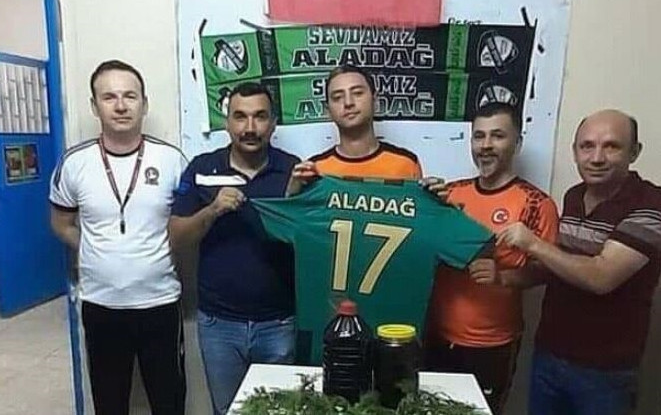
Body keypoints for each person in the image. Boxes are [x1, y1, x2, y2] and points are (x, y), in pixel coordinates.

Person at [497, 109, 661, 415]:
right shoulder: (574, 196)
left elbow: (601, 277)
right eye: (587, 146)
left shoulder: (651, 204)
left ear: (634, 152)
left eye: (611, 146)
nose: (596, 157)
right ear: (574, 152)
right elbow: (560, 267)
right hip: (549, 355)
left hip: (605, 373)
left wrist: (533, 244)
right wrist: (502, 277)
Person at [49, 60, 187, 415]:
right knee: (109, 404)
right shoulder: (74, 163)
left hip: (159, 303)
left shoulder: (171, 160)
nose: (121, 106)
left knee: (169, 403)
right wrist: (98, 251)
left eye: (130, 96)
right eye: (109, 97)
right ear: (94, 106)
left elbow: (185, 226)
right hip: (101, 306)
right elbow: (61, 224)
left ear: (145, 103)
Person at [169, 82, 299, 415]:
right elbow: (176, 237)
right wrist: (212, 210)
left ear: (273, 123)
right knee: (228, 411)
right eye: (240, 116)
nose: (250, 127)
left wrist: (294, 199)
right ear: (227, 122)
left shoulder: (294, 170)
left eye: (260, 116)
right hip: (219, 324)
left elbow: (311, 239)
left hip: (279, 323)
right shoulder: (202, 168)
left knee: (280, 412)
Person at [422, 103, 559, 414]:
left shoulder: (537, 203)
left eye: (497, 136)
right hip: (437, 336)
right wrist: (424, 201)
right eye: (479, 136)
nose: (485, 145)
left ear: (517, 143)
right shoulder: (450, 194)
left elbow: (545, 272)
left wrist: (502, 277)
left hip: (491, 345)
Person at [287, 65, 422, 190]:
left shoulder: (407, 163)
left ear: (374, 100)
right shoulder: (313, 170)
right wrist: (292, 196)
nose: (348, 103)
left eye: (357, 93)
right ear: (328, 111)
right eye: (338, 97)